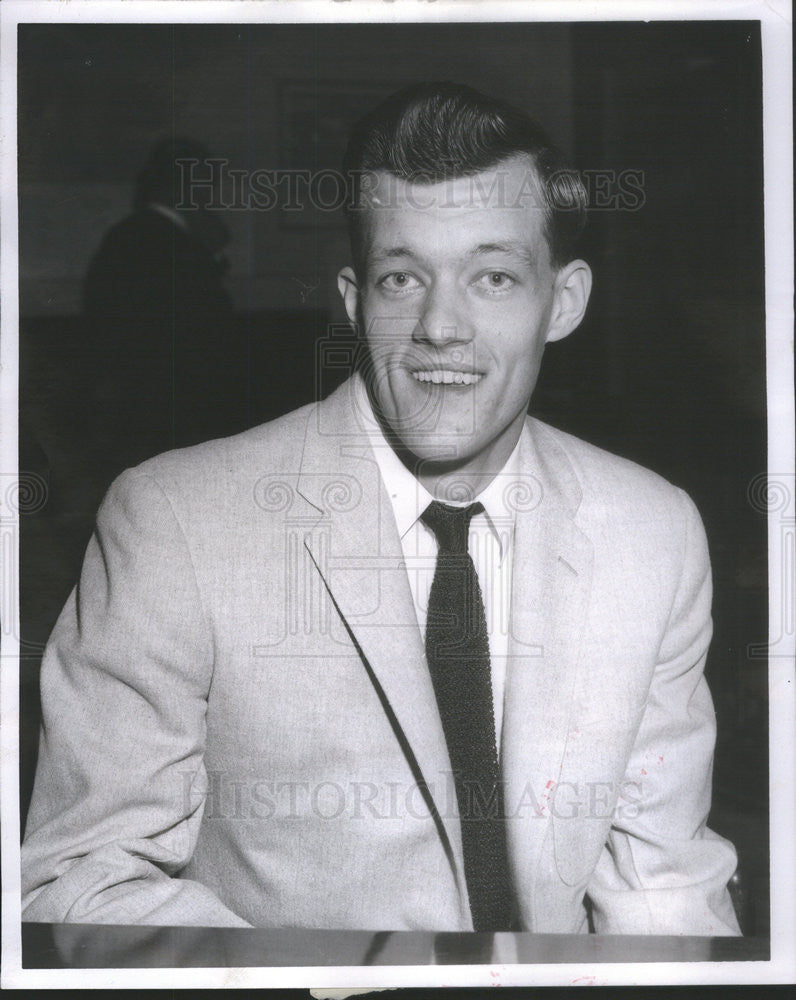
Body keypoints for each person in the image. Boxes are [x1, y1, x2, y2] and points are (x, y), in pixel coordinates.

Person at [21, 82, 741, 935]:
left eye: (495, 277)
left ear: (567, 301)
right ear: (356, 300)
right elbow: (83, 880)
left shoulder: (652, 530)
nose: (441, 325)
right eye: (403, 277)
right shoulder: (174, 522)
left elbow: (661, 883)